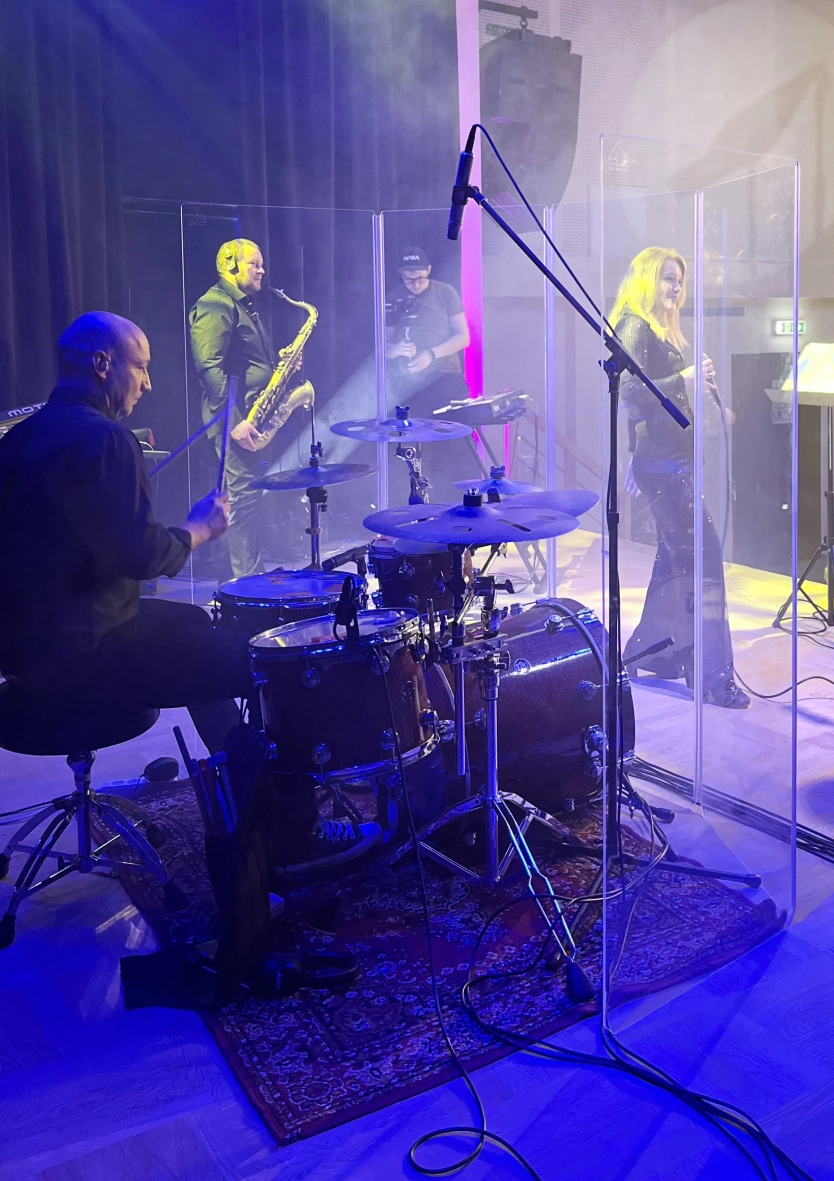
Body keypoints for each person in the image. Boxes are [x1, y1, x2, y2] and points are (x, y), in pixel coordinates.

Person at [0, 312, 380, 876]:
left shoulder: (17, 440)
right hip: (90, 653)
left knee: (196, 627)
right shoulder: (106, 439)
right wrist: (199, 529)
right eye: (140, 368)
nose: (147, 383)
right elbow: (143, 557)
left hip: (28, 653)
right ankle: (295, 837)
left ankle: (236, 783)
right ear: (103, 364)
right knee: (269, 667)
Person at [610, 247, 749, 709]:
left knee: (675, 563)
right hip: (666, 469)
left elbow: (648, 405)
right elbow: (629, 392)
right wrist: (683, 380)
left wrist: (696, 394)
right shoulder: (634, 325)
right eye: (669, 278)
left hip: (670, 463)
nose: (676, 288)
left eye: (680, 280)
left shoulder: (653, 328)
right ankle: (713, 677)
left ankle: (654, 653)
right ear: (648, 278)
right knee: (703, 563)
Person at [188, 239, 275, 578]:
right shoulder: (214, 305)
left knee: (251, 501)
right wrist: (235, 421)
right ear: (230, 264)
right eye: (255, 264)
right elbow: (209, 369)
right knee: (242, 502)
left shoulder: (240, 305)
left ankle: (251, 579)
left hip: (251, 417)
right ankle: (246, 584)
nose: (262, 270)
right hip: (233, 421)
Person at [385, 246, 478, 500]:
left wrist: (431, 354)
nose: (415, 284)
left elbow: (463, 337)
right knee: (420, 455)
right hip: (411, 388)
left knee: (460, 448)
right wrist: (396, 349)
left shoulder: (445, 292)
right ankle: (427, 507)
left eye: (420, 278)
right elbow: (383, 348)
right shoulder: (393, 298)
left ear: (428, 270)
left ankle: (470, 504)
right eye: (408, 279)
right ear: (400, 274)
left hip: (447, 382)